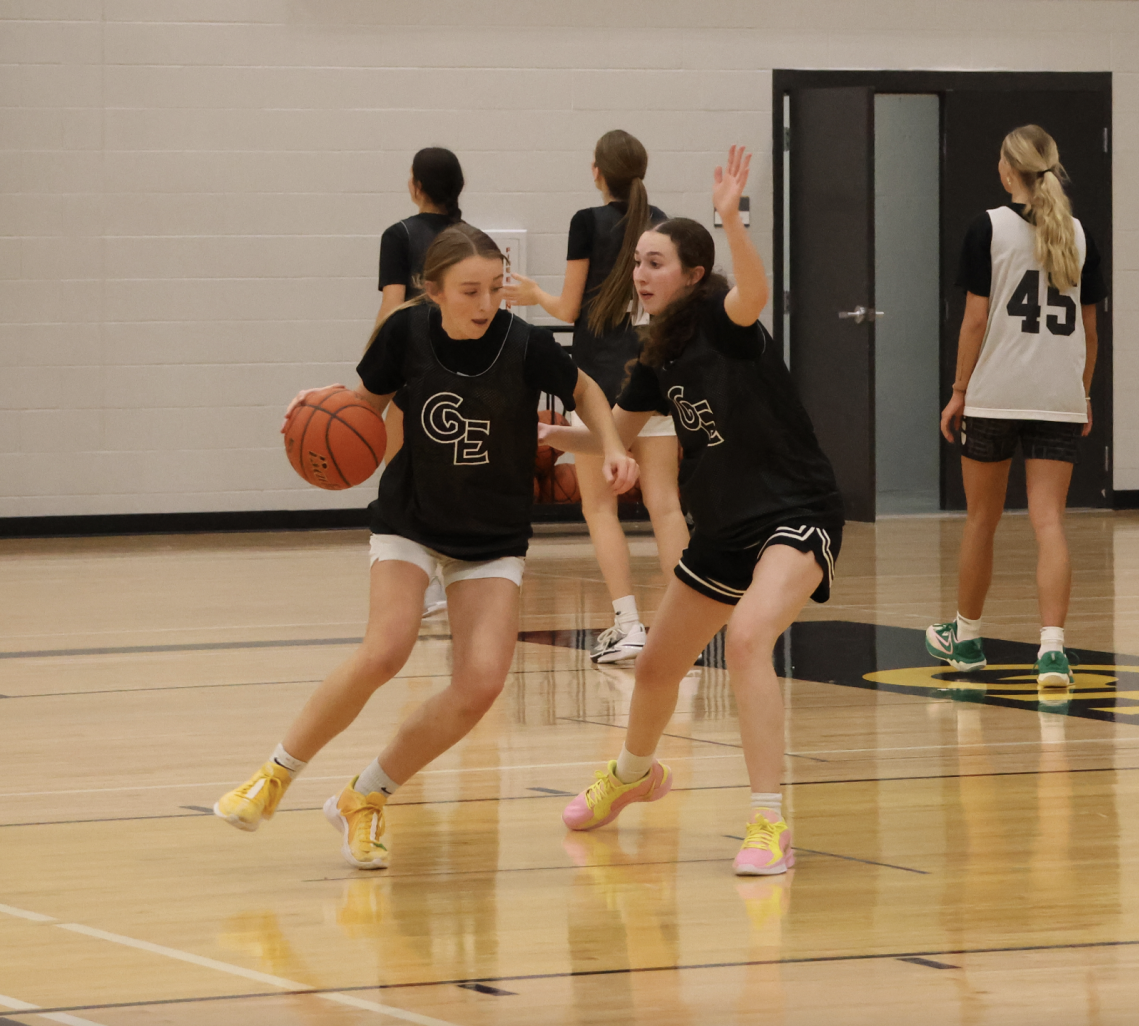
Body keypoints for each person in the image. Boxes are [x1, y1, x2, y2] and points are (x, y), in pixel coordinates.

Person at [215, 225, 637, 870]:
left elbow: (585, 390)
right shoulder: (405, 334)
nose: (486, 302)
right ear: (433, 291)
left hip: (491, 534)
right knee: (386, 650)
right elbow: (359, 409)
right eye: (470, 290)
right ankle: (274, 775)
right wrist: (312, 410)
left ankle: (366, 795)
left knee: (480, 685)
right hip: (412, 519)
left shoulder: (522, 344)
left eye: (496, 288)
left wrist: (609, 445)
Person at [543, 148, 845, 876]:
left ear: (693, 276)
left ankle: (769, 823)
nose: (641, 274)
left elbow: (756, 293)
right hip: (727, 526)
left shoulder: (722, 318)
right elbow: (614, 430)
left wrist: (732, 222)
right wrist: (551, 435)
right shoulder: (656, 357)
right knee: (654, 669)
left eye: (655, 263)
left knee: (746, 641)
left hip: (795, 510)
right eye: (638, 262)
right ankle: (634, 773)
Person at [926, 124, 1106, 687]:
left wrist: (958, 391)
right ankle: (1052, 649)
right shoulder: (1079, 234)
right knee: (1048, 521)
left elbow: (975, 319)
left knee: (982, 520)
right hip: (1058, 395)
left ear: (1007, 171)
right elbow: (1091, 330)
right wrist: (1083, 392)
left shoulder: (989, 227)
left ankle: (968, 639)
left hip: (996, 393)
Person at [503, 130, 689, 664]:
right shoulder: (664, 224)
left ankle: (628, 623)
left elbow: (566, 310)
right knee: (666, 506)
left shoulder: (587, 222)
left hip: (600, 390)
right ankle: (683, 626)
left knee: (600, 507)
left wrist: (535, 292)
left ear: (597, 173)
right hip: (653, 377)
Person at [377, 147, 465, 616]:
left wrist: (374, 365)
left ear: (415, 186)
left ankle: (424, 588)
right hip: (466, 370)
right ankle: (460, 580)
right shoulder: (474, 239)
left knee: (401, 479)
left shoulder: (400, 235)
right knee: (455, 478)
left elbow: (393, 308)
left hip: (414, 368)